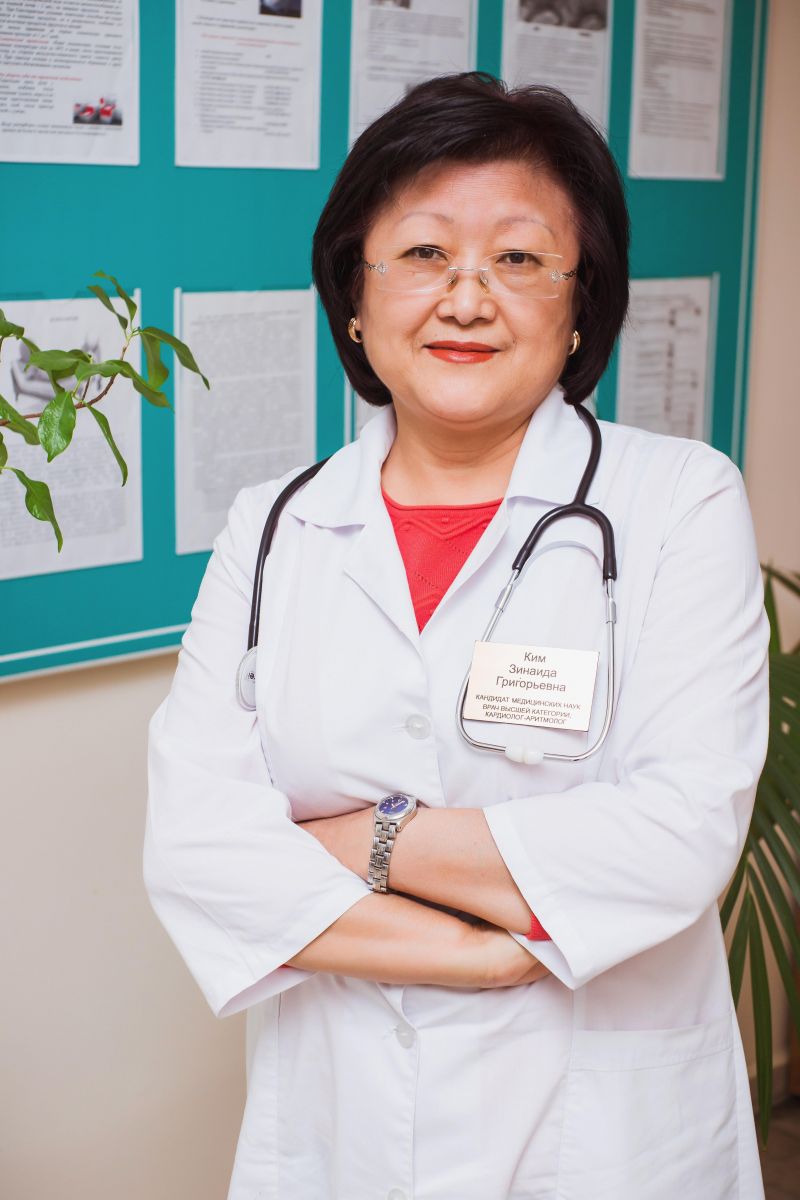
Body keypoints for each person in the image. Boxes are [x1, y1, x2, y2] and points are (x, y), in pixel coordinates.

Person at [144, 73, 769, 1199]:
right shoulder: (275, 524)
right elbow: (196, 850)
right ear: (354, 295)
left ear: (581, 305)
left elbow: (675, 836)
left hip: (603, 1134)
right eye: (423, 253)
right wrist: (481, 956)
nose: (465, 298)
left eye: (519, 258)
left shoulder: (679, 500)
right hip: (340, 1125)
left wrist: (359, 841)